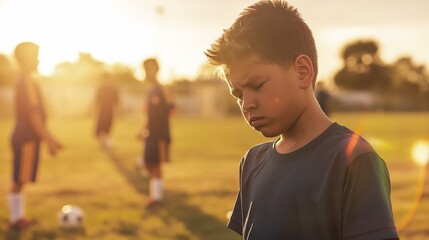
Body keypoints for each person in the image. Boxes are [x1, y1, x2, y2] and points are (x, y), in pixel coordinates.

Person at [205, 1, 399, 239]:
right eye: (238, 94)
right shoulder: (252, 163)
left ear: (302, 71)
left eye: (257, 85)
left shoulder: (353, 159)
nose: (247, 104)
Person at [8, 42, 63, 229]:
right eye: (35, 55)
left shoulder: (26, 80)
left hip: (24, 136)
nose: (39, 59)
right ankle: (16, 219)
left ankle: (18, 216)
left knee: (20, 179)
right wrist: (50, 139)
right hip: (26, 137)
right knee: (19, 179)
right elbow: (33, 114)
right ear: (26, 58)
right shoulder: (27, 81)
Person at [137, 58, 174, 208]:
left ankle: (156, 197)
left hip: (160, 134)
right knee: (149, 163)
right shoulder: (150, 90)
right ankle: (156, 190)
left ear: (157, 69)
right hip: (151, 133)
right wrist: (143, 129)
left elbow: (171, 108)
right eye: (145, 68)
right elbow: (150, 115)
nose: (148, 71)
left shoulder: (162, 89)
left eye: (151, 68)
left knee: (155, 164)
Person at [94, 72, 119, 150]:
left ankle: (106, 142)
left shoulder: (113, 89)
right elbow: (96, 101)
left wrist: (118, 111)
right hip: (102, 110)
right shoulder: (100, 88)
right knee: (101, 127)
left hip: (110, 110)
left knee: (107, 127)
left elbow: (117, 101)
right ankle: (104, 143)